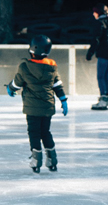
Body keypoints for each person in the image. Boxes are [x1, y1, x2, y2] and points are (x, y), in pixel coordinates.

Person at [6, 35, 69, 173]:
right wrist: (63, 100)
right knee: (45, 132)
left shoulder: (25, 66)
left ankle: (36, 160)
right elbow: (57, 85)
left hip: (32, 108)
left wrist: (10, 88)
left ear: (32, 49)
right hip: (47, 107)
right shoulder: (52, 66)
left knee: (34, 133)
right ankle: (52, 160)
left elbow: (17, 83)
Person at [86, 3, 108, 110]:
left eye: (94, 12)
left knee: (101, 77)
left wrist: (90, 53)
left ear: (98, 12)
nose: (93, 14)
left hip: (104, 52)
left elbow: (96, 39)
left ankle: (103, 100)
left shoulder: (100, 22)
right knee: (105, 76)